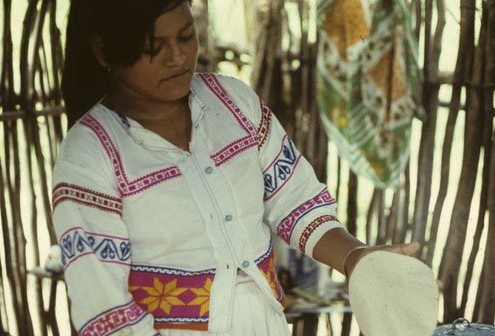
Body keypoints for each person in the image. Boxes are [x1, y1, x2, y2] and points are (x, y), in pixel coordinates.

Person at [54, 0, 420, 335]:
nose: (177, 57)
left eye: (185, 36)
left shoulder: (234, 104)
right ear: (103, 49)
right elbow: (105, 309)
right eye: (153, 46)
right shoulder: (89, 155)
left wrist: (357, 258)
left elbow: (297, 202)